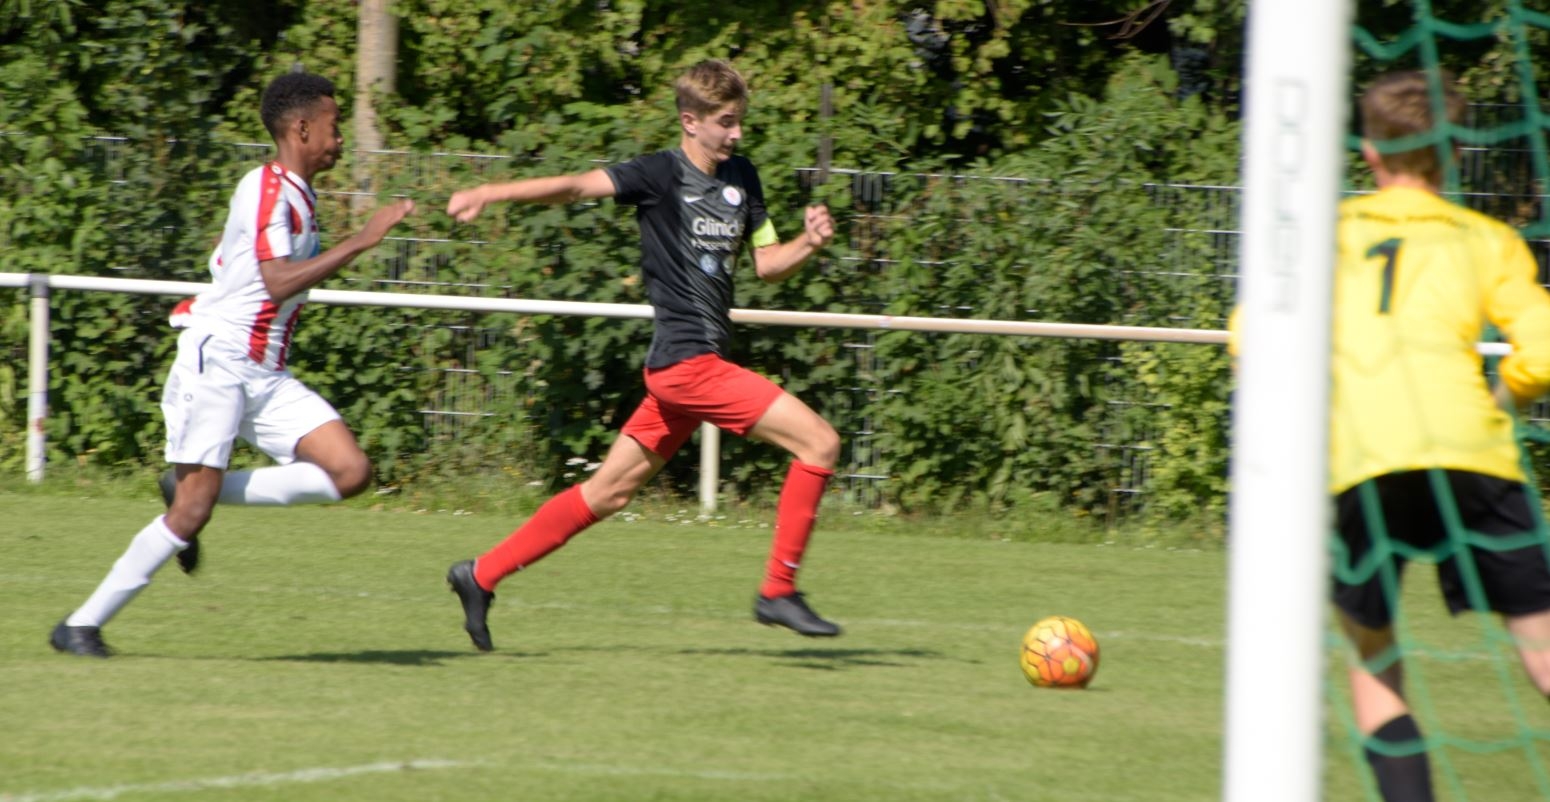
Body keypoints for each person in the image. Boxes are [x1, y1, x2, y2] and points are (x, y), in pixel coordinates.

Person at [442, 58, 842, 651]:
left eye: (740, 121)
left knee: (607, 492)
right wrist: (490, 191)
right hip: (689, 366)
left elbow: (767, 265)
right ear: (691, 120)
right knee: (821, 443)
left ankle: (479, 574)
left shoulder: (744, 179)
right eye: (726, 123)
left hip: (680, 374)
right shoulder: (659, 175)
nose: (737, 134)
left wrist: (807, 242)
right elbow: (577, 186)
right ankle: (778, 592)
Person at [1237, 70, 1550, 800]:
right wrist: (1500, 402)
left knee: (1373, 663)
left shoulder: (1330, 235)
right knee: (1541, 649)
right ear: (1455, 153)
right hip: (1473, 454)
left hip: (1367, 464)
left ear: (1370, 153)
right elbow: (1542, 351)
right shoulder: (1488, 240)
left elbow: (1251, 338)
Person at [49, 71, 415, 658]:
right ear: (301, 128)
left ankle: (189, 489)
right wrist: (362, 240)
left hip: (263, 372)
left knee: (350, 472)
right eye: (333, 126)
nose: (340, 139)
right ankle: (81, 626)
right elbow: (274, 282)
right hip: (218, 362)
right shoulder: (266, 187)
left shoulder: (300, 194)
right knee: (191, 513)